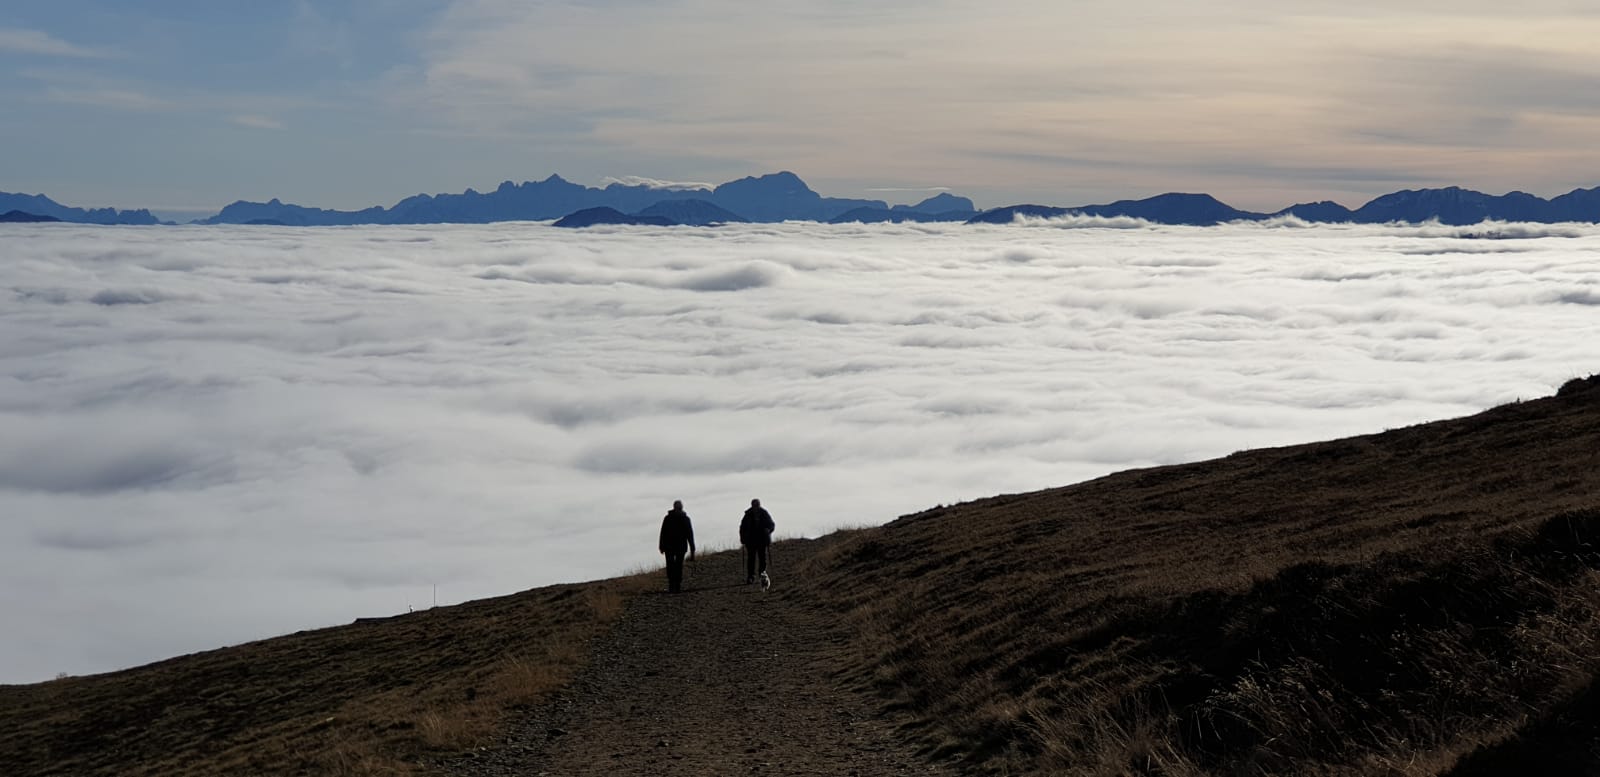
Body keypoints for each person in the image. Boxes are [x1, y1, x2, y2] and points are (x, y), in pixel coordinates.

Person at [658, 500, 696, 593]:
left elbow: (689, 535)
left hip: (676, 547)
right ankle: (674, 586)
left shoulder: (682, 519)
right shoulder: (670, 518)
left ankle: (675, 586)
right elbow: (663, 533)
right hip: (673, 547)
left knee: (675, 566)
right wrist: (692, 550)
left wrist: (692, 549)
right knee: (674, 566)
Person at [739, 498, 776, 584]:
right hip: (751, 541)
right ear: (752, 506)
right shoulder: (748, 514)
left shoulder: (764, 513)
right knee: (751, 559)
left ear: (759, 505)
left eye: (757, 505)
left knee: (762, 558)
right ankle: (751, 576)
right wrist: (743, 538)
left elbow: (771, 524)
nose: (755, 507)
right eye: (754, 505)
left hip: (761, 540)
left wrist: (768, 530)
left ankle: (762, 576)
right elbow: (742, 527)